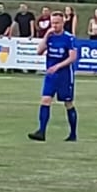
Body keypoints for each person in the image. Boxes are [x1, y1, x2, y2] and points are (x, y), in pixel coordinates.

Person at [28, 10, 78, 142]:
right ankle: (41, 131)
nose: (54, 26)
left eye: (57, 23)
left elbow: (72, 57)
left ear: (63, 23)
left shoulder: (69, 38)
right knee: (45, 100)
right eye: (52, 23)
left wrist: (58, 66)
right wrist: (45, 36)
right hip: (51, 75)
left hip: (64, 75)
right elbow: (39, 51)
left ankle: (73, 134)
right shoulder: (50, 36)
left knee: (68, 103)